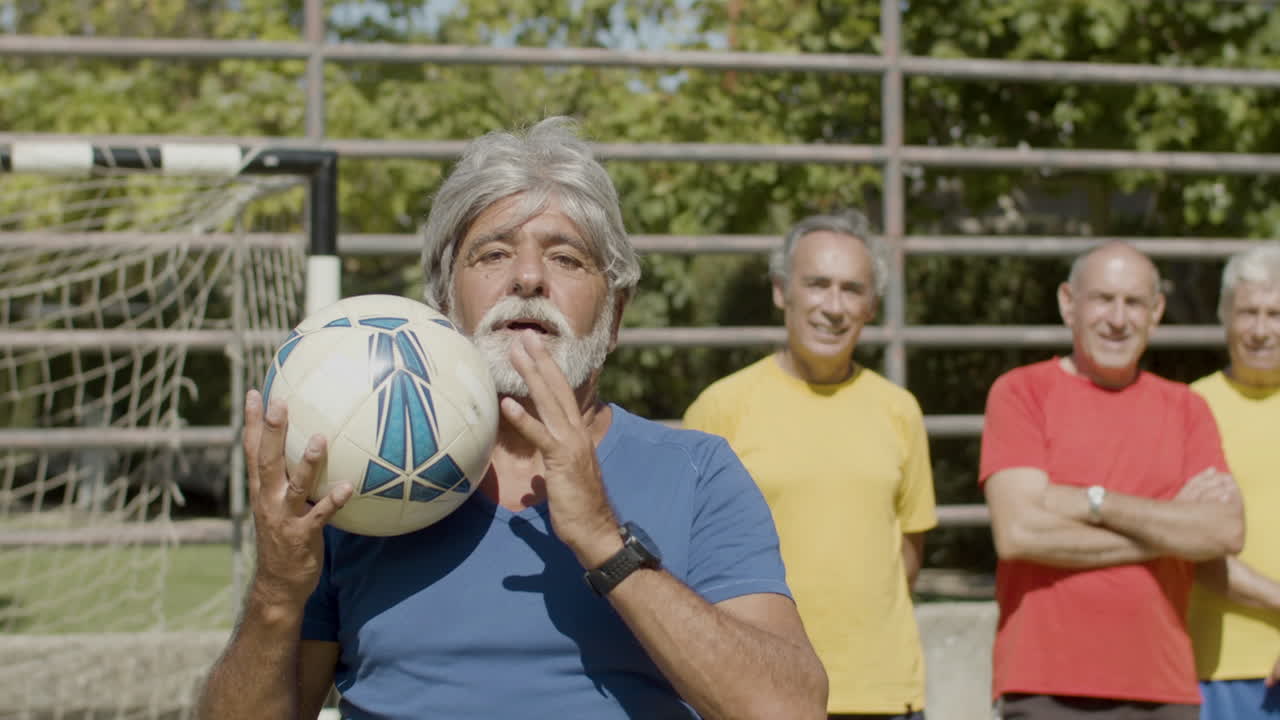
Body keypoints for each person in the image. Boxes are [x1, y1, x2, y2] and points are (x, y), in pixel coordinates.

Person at [196, 117, 828, 720]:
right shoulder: (352, 482)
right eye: (493, 254)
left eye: (566, 258)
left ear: (615, 316)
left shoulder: (698, 473)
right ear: (442, 302)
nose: (528, 278)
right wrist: (278, 595)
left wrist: (606, 543)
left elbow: (790, 709)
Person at [683, 211, 937, 720]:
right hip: (761, 695)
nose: (834, 306)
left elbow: (907, 553)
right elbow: (690, 561)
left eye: (852, 289)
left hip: (883, 696)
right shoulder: (722, 407)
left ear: (871, 305)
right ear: (782, 291)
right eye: (818, 284)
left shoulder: (899, 410)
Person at [979, 241, 1245, 720]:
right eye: (1103, 299)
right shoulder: (1021, 393)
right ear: (1068, 303)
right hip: (1044, 684)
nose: (1118, 318)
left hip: (1162, 687)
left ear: (1156, 311)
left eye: (1134, 302)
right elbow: (1019, 534)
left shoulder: (1187, 409)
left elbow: (1223, 532)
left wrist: (1091, 502)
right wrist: (1171, 532)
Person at [1187, 242, 1280, 720]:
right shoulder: (1190, 409)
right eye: (1248, 313)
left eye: (1275, 312)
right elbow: (1192, 547)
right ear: (1225, 317)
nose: (1262, 329)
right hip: (1221, 669)